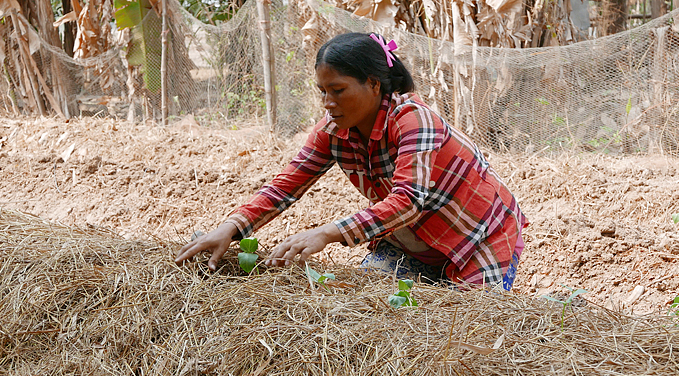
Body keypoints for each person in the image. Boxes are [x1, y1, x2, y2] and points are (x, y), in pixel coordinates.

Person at [175, 32, 527, 290]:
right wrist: (232, 227)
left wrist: (328, 233)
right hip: (410, 241)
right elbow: (286, 185)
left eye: (338, 90)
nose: (328, 102)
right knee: (376, 313)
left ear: (374, 84)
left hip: (477, 236)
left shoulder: (413, 120)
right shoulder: (333, 131)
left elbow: (407, 202)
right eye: (322, 92)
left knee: (465, 333)